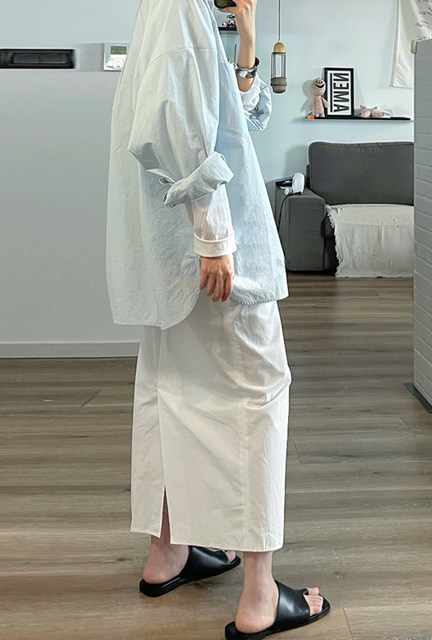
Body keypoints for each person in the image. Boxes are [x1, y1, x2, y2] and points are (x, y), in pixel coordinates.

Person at [105, 0, 330, 637]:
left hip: (175, 249)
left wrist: (248, 38)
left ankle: (167, 553)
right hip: (207, 248)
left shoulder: (178, 10)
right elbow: (172, 124)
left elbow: (237, 123)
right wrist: (213, 236)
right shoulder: (181, 9)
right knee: (259, 391)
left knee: (166, 389)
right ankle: (260, 597)